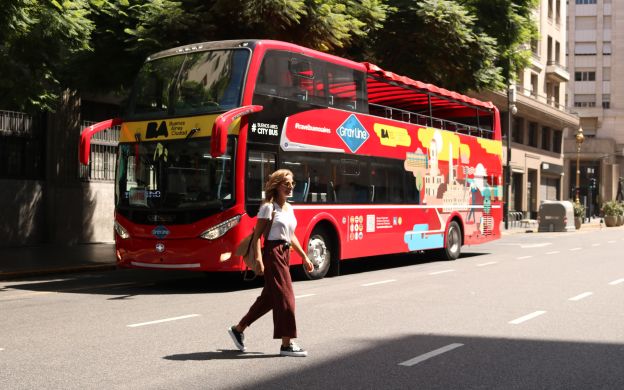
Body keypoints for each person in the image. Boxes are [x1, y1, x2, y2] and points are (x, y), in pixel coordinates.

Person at [228, 169, 315, 357]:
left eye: (292, 183)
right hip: (272, 253)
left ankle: (238, 328)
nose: (290, 187)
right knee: (286, 298)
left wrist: (305, 256)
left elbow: (291, 236)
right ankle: (287, 344)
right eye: (286, 183)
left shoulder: (289, 208)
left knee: (269, 298)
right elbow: (258, 236)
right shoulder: (268, 207)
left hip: (285, 253)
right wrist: (259, 260)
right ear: (276, 185)